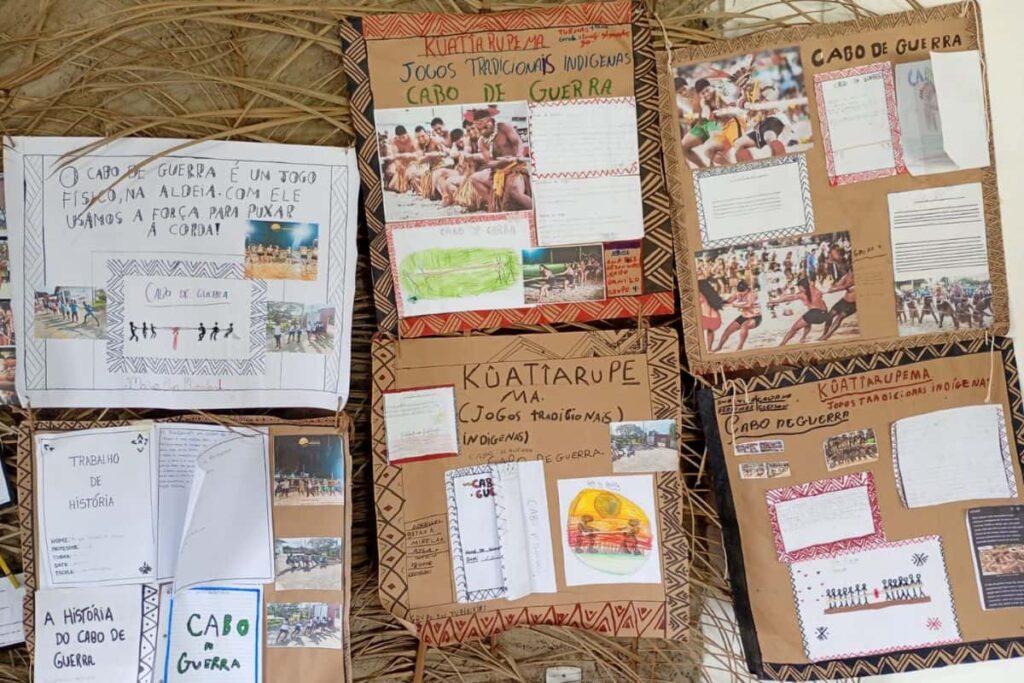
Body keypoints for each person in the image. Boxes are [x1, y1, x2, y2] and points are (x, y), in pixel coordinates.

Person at [467, 108, 532, 212]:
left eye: (484, 127)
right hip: (498, 171)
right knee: (474, 178)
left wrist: (518, 155)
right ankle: (494, 204)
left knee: (515, 191)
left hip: (515, 168)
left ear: (491, 122)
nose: (482, 131)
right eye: (479, 129)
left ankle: (535, 211)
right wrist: (503, 161)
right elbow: (489, 163)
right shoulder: (481, 141)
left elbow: (517, 143)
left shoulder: (503, 127)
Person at [774, 277, 829, 346]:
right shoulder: (816, 289)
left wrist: (775, 301)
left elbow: (789, 298)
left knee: (794, 329)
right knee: (807, 321)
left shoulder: (802, 294)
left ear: (802, 286)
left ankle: (782, 344)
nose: (798, 288)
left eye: (799, 287)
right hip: (824, 315)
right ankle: (803, 338)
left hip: (814, 314)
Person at [713, 280, 761, 352]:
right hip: (744, 316)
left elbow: (748, 305)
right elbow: (730, 300)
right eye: (740, 291)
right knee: (728, 330)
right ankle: (719, 347)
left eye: (743, 291)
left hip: (755, 317)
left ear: (747, 289)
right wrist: (722, 302)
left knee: (744, 326)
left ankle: (740, 347)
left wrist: (734, 305)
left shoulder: (752, 294)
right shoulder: (738, 292)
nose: (741, 293)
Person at [698, 277, 725, 350]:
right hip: (714, 317)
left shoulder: (699, 294)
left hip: (704, 316)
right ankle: (709, 349)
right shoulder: (711, 294)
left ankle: (705, 349)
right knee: (710, 331)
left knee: (699, 332)